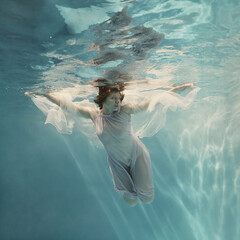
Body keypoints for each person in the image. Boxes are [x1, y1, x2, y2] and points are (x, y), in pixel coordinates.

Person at [25, 81, 195, 207]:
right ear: (103, 99)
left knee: (147, 198)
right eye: (113, 98)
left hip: (136, 154)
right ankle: (131, 190)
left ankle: (140, 188)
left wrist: (179, 89)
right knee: (131, 201)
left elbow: (154, 101)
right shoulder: (94, 115)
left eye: (118, 98)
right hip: (116, 162)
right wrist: (45, 95)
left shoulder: (126, 111)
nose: (117, 102)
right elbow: (68, 106)